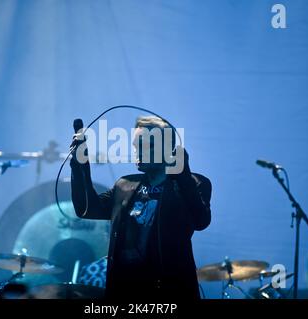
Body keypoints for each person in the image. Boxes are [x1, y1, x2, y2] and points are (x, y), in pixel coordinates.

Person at [68, 116, 212, 299]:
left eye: (146, 145)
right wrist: (79, 166)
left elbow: (200, 221)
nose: (138, 152)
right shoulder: (125, 185)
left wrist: (182, 175)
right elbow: (87, 209)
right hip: (125, 290)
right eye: (136, 145)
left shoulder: (194, 183)